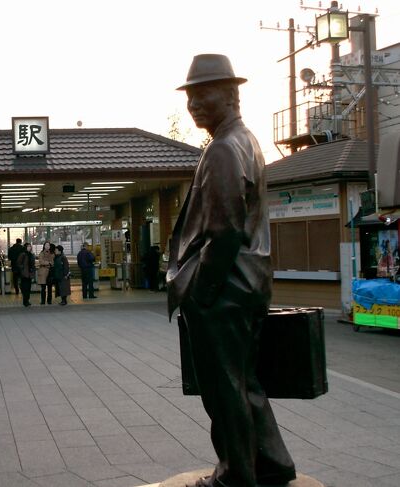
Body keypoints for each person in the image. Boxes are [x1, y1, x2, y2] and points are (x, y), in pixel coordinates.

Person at [167, 54, 295, 487]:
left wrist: (202, 291)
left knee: (224, 390)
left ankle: (236, 476)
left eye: (204, 93)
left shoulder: (223, 148)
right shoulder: (246, 140)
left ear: (231, 94)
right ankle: (272, 462)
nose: (195, 103)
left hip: (224, 288)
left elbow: (223, 230)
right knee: (245, 382)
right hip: (248, 283)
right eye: (191, 95)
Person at [17, 242, 36, 307]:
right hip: (24, 274)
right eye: (28, 246)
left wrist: (32, 272)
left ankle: (27, 300)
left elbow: (33, 264)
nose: (29, 247)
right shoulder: (23, 254)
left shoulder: (31, 254)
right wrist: (23, 269)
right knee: (25, 288)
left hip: (29, 274)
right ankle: (25, 301)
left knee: (28, 288)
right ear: (25, 247)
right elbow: (18, 263)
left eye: (30, 246)